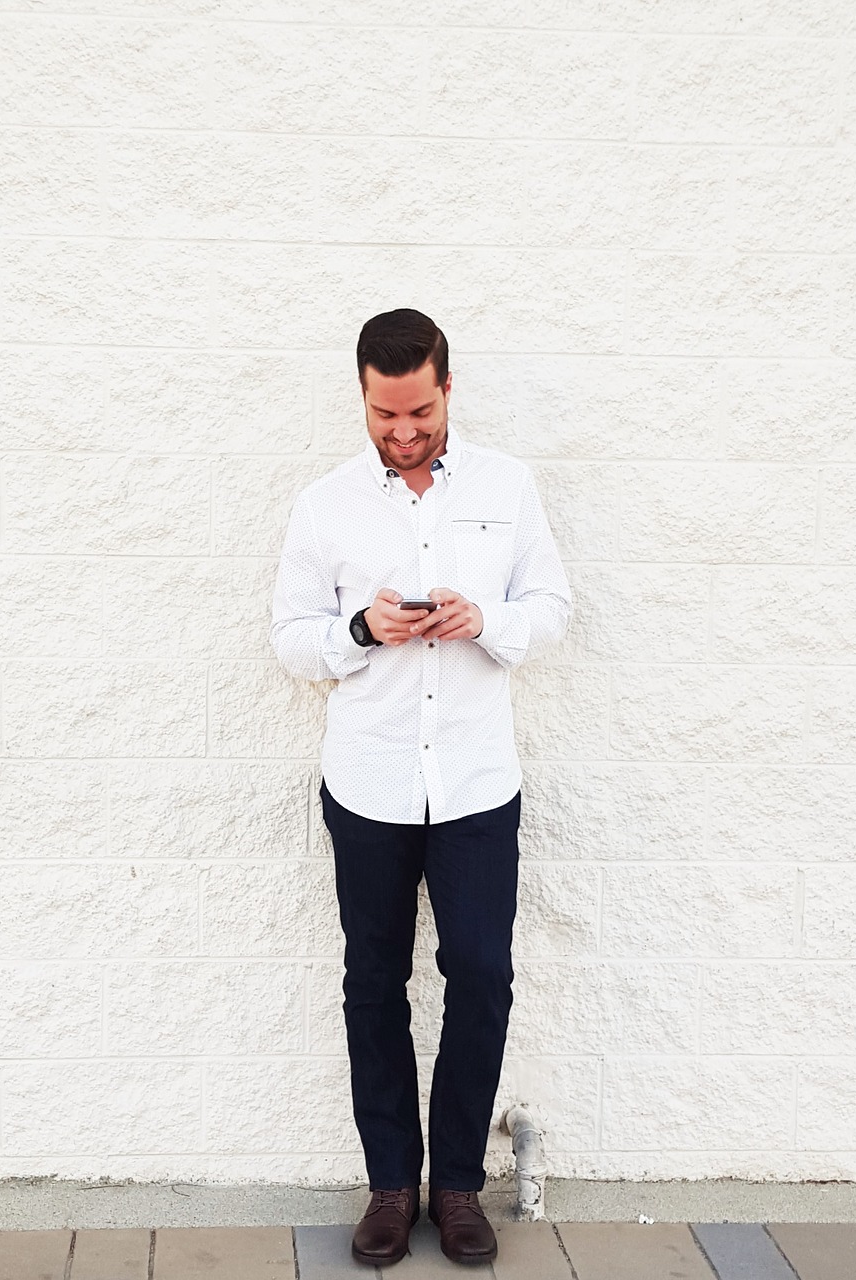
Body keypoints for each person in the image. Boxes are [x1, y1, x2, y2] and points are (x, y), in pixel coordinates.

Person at [270, 308, 571, 1267]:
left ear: (448, 388)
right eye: (383, 414)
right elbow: (289, 638)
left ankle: (457, 1188)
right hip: (369, 782)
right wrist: (359, 631)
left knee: (481, 976)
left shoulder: (507, 487)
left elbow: (551, 608)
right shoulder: (324, 504)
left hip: (478, 782)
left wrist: (485, 618)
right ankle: (391, 1188)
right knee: (373, 985)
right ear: (362, 395)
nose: (402, 433)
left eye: (420, 413)